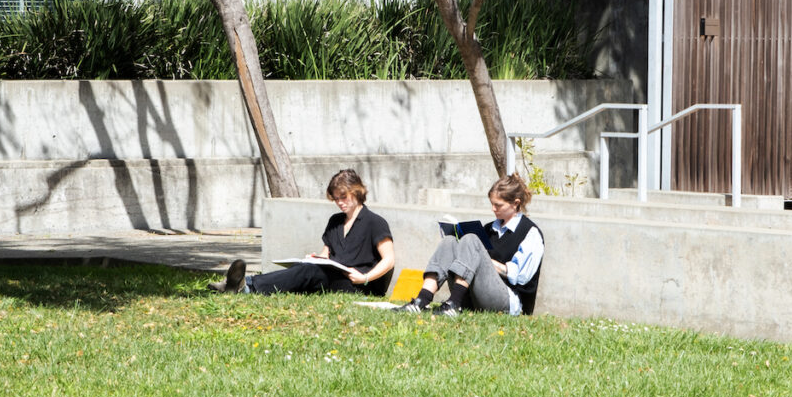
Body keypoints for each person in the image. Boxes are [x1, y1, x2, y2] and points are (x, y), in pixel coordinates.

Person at [209, 169, 395, 296]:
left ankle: (245, 285)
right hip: (334, 276)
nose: (340, 202)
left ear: (357, 192)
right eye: (336, 198)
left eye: (343, 197)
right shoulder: (335, 221)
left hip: (357, 283)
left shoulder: (375, 222)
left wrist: (365, 278)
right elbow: (327, 253)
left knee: (309, 272)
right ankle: (241, 284)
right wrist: (317, 258)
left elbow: (389, 259)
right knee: (305, 269)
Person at [393, 173, 544, 317]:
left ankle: (454, 303)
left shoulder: (530, 233)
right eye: (492, 204)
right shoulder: (489, 228)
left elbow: (520, 277)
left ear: (515, 203)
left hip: (507, 300)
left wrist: (483, 260)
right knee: (450, 242)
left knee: (471, 239)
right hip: (476, 295)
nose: (493, 209)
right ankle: (421, 300)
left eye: (498, 205)